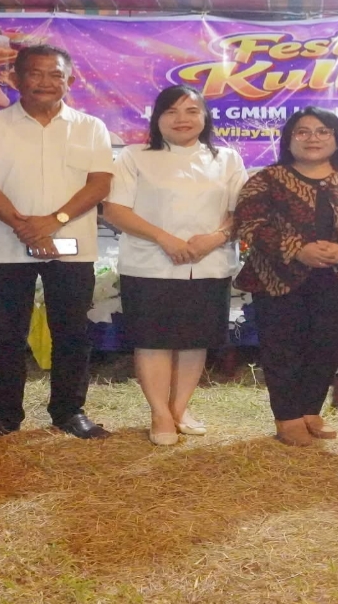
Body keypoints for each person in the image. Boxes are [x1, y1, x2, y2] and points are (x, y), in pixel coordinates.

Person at [0, 44, 119, 443]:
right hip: (5, 246)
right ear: (16, 78)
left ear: (70, 80)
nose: (45, 82)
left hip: (71, 246)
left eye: (55, 75)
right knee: (4, 333)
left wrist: (53, 222)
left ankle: (69, 412)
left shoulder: (91, 127)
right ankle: (2, 415)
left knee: (72, 331)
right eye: (35, 73)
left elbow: (100, 183)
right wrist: (24, 226)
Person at [105, 86, 246, 445]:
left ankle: (180, 408)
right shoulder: (135, 156)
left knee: (194, 342)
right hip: (150, 263)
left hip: (209, 264)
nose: (182, 119)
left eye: (191, 111)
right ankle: (160, 413)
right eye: (172, 112)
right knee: (152, 341)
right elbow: (115, 210)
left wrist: (214, 238)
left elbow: (243, 212)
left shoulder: (227, 159)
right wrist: (164, 238)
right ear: (157, 119)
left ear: (205, 117)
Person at [234, 107, 338, 446]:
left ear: (336, 139)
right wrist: (297, 249)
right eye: (303, 131)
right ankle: (287, 416)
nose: (313, 138)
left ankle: (310, 410)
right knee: (282, 348)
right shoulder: (266, 179)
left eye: (322, 131)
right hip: (277, 277)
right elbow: (250, 224)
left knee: (326, 346)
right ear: (289, 139)